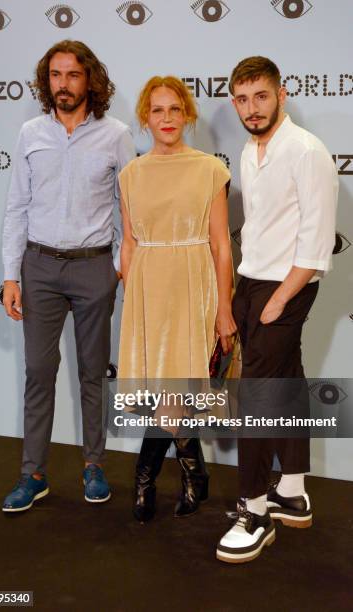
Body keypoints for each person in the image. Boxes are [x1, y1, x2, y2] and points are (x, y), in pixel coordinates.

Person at [1, 40, 135, 512]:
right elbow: (17, 206)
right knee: (39, 372)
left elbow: (130, 208)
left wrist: (118, 265)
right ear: (47, 82)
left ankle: (93, 466)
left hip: (94, 266)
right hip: (38, 267)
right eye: (55, 75)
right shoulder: (30, 133)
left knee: (92, 372)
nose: (63, 84)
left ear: (89, 79)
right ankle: (32, 474)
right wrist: (11, 276)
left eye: (72, 75)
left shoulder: (116, 134)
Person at [216, 56, 338, 563]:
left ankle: (255, 509)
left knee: (256, 397)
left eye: (261, 96)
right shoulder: (249, 149)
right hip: (251, 278)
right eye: (242, 99)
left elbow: (314, 247)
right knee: (285, 381)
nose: (252, 108)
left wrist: (279, 301)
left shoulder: (308, 152)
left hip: (285, 286)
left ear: (281, 94)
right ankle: (291, 490)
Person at [117, 76, 236, 522]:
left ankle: (147, 480)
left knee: (177, 393)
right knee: (163, 394)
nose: (166, 118)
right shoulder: (131, 174)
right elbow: (128, 244)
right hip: (148, 289)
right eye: (157, 110)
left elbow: (222, 245)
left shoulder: (209, 169)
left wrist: (224, 308)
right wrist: (134, 301)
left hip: (193, 285)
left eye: (174, 109)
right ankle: (193, 472)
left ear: (187, 114)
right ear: (145, 118)